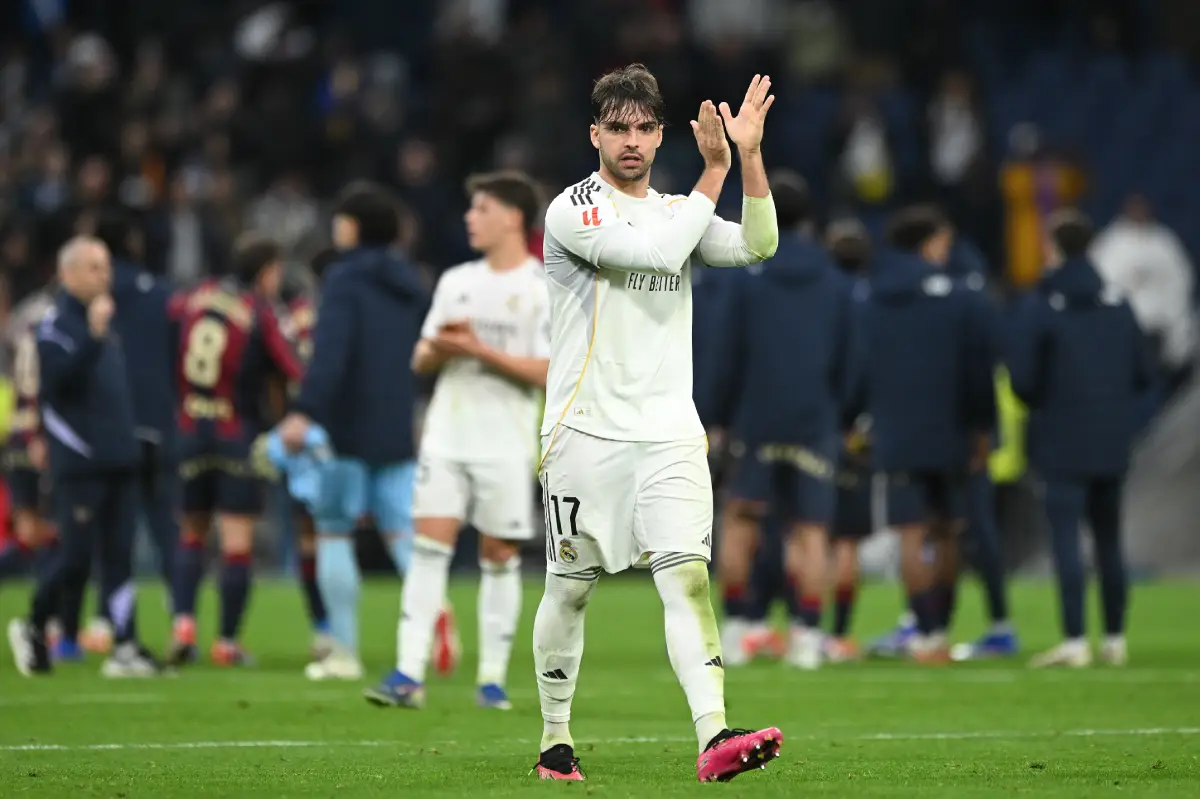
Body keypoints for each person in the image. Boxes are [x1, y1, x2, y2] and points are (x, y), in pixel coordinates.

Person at [531, 64, 782, 783]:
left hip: (670, 432)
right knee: (570, 587)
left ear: (659, 132)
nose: (632, 141)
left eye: (644, 127)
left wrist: (750, 158)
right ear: (595, 134)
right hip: (585, 432)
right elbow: (658, 253)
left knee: (688, 580)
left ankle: (714, 735)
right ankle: (555, 738)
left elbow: (757, 246)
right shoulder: (572, 210)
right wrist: (713, 172)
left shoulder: (678, 207)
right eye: (618, 128)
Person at [365, 170, 550, 711]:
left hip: (507, 442)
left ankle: (491, 679)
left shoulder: (541, 289)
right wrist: (445, 347)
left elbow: (546, 371)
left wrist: (477, 349)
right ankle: (407, 673)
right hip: (447, 434)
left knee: (498, 556)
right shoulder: (456, 281)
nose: (470, 218)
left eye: (481, 209)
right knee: (428, 549)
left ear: (512, 218)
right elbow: (421, 357)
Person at [703, 172, 858, 671]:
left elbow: (726, 352)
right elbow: (853, 358)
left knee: (742, 519)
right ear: (811, 218)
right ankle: (808, 636)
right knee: (811, 532)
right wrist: (842, 412)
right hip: (814, 418)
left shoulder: (749, 278)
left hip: (757, 417)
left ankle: (738, 626)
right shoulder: (836, 281)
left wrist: (716, 416)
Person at [280, 181, 429, 682]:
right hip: (394, 423)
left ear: (353, 225)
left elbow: (331, 354)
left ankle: (343, 651)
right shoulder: (410, 282)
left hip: (346, 425)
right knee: (403, 535)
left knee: (334, 531)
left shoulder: (343, 279)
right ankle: (428, 627)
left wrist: (306, 410)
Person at [7, 236, 160, 677]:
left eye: (106, 266)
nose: (104, 275)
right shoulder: (54, 325)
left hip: (119, 458)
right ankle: (35, 624)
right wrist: (93, 337)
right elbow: (55, 384)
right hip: (79, 462)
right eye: (94, 267)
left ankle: (126, 644)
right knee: (75, 558)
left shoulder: (105, 325)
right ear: (68, 274)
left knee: (120, 556)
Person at [850, 205, 996, 663]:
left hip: (896, 428)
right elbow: (978, 368)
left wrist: (856, 418)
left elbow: (861, 364)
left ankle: (923, 630)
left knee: (912, 531)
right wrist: (981, 427)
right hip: (949, 427)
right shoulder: (960, 296)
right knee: (948, 528)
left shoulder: (873, 296)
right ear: (929, 242)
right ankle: (941, 631)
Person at [1008, 210, 1149, 668]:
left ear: (1055, 247)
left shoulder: (1044, 303)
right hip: (1110, 439)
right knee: (1109, 540)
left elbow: (1023, 381)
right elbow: (1143, 372)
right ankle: (1114, 638)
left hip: (1060, 439)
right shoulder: (1119, 302)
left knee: (1067, 538)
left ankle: (1073, 640)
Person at [167, 234, 304, 667]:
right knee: (236, 542)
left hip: (188, 429)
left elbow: (167, 342)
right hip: (235, 434)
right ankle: (226, 642)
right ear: (265, 272)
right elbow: (291, 366)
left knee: (190, 533)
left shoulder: (191, 298)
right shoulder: (258, 311)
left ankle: (183, 626)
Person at [279, 248, 335, 659]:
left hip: (302, 432)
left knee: (310, 536)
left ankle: (325, 628)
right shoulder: (344, 312)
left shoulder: (294, 317)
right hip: (342, 430)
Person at [822, 220, 874, 663]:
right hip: (858, 429)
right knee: (847, 541)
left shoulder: (822, 300)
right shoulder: (871, 301)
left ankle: (804, 628)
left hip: (818, 423)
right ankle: (838, 633)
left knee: (810, 532)